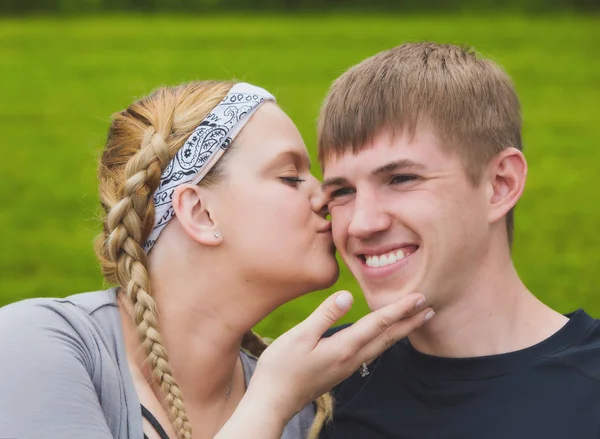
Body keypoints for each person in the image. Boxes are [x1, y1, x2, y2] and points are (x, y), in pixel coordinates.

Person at [0, 81, 434, 439]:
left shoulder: (305, 414)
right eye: (290, 176)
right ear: (199, 213)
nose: (325, 195)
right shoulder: (37, 347)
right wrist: (270, 403)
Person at [317, 42, 600, 439]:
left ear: (500, 185)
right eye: (342, 191)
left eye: (401, 179)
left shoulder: (589, 391)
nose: (362, 223)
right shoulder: (321, 377)